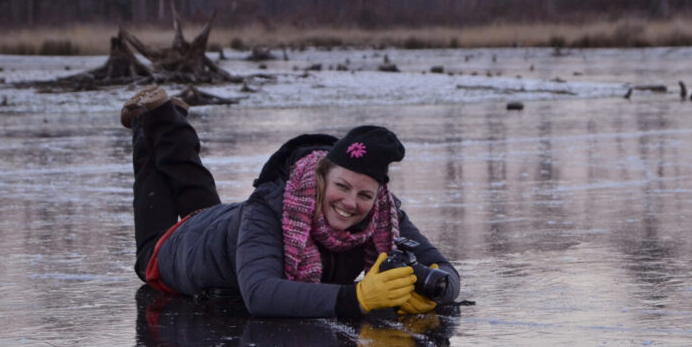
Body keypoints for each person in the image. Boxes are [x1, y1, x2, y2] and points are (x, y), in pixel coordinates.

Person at [122, 85, 460, 318]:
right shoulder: (270, 208)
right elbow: (261, 293)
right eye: (342, 186)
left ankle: (171, 124)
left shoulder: (383, 214)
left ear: (378, 195)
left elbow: (446, 271)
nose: (350, 203)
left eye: (365, 195)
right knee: (146, 258)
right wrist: (356, 298)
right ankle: (148, 123)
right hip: (184, 249)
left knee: (202, 204)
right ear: (321, 177)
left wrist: (433, 291)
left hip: (222, 225)